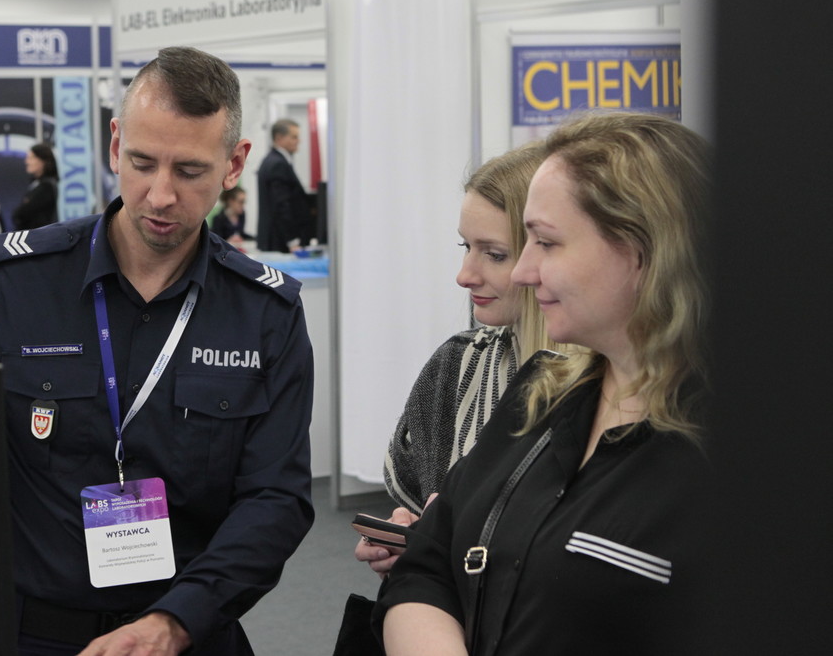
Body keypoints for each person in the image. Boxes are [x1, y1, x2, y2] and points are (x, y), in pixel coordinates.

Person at [0, 46, 315, 656]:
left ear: (234, 164)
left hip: (188, 634)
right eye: (142, 163)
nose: (160, 196)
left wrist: (175, 621)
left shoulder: (266, 314)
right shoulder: (12, 281)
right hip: (34, 633)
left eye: (189, 171)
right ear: (115, 146)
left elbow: (276, 498)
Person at [375, 112, 712, 655]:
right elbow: (426, 565)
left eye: (546, 244)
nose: (523, 273)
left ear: (644, 250)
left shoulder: (742, 454)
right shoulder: (540, 394)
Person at [353, 141, 556, 578]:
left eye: (495, 254)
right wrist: (411, 539)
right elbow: (418, 503)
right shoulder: (456, 366)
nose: (464, 275)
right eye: (466, 246)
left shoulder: (612, 392)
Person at [255, 118, 312, 252]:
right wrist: (292, 240)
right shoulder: (278, 164)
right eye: (294, 137)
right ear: (279, 138)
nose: (298, 141)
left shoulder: (271, 160)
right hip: (281, 242)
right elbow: (281, 206)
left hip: (275, 240)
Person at [11, 142, 59, 231]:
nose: (27, 162)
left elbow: (22, 214)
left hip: (40, 237)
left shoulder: (47, 186)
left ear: (43, 161)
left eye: (31, 158)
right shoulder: (36, 184)